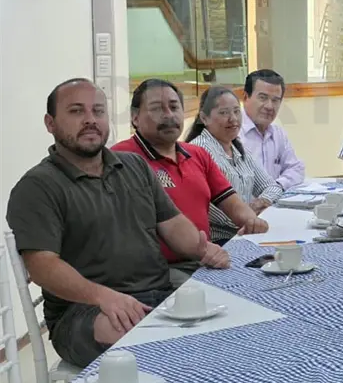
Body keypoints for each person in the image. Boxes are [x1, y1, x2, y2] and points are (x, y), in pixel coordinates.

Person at [6, 79, 220, 368]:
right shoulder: (37, 186)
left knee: (228, 313)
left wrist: (203, 249)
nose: (90, 120)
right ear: (50, 123)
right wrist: (103, 296)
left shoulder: (135, 166)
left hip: (159, 292)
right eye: (76, 111)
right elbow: (42, 266)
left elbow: (173, 225)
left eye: (98, 111)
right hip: (85, 311)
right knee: (149, 341)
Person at [113, 79, 269, 286]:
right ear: (135, 117)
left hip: (203, 260)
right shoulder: (122, 158)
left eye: (174, 107)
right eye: (157, 108)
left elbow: (231, 202)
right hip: (156, 271)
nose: (168, 115)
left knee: (268, 275)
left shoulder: (197, 154)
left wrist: (251, 221)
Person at [185, 86, 283, 244]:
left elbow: (273, 187)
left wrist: (262, 201)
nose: (233, 119)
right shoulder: (199, 151)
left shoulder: (237, 148)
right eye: (224, 113)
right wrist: (247, 217)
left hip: (246, 233)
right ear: (204, 118)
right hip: (219, 240)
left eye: (237, 111)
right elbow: (207, 209)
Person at [240, 69, 306, 191]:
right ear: (245, 97)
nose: (269, 106)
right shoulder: (232, 133)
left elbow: (296, 168)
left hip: (273, 200)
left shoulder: (277, 133)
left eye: (275, 100)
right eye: (263, 98)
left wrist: (278, 186)